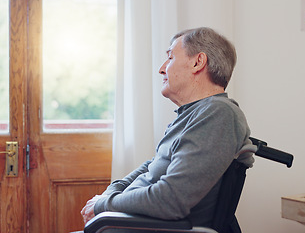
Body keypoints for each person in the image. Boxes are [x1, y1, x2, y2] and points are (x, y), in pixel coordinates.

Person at [81, 27, 255, 229]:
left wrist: (104, 205)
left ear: (198, 62)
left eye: (170, 58)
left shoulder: (218, 114)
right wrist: (112, 191)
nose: (162, 69)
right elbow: (152, 166)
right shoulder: (193, 114)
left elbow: (170, 200)